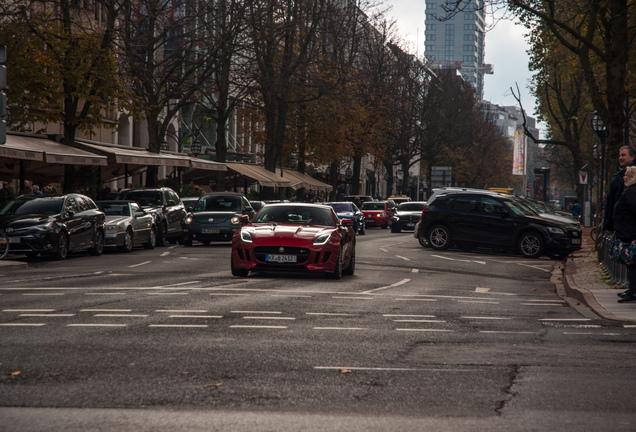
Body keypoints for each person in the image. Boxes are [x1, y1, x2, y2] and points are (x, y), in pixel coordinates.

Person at [614, 166, 636, 303]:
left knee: (632, 262)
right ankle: (631, 289)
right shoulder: (630, 191)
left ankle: (633, 291)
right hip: (627, 232)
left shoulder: (631, 192)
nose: (624, 177)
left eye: (627, 176)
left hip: (630, 233)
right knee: (630, 263)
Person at [603, 146, 636, 232]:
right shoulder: (618, 175)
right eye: (620, 155)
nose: (620, 158)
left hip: (627, 227)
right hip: (619, 225)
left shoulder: (631, 175)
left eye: (623, 155)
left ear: (632, 157)